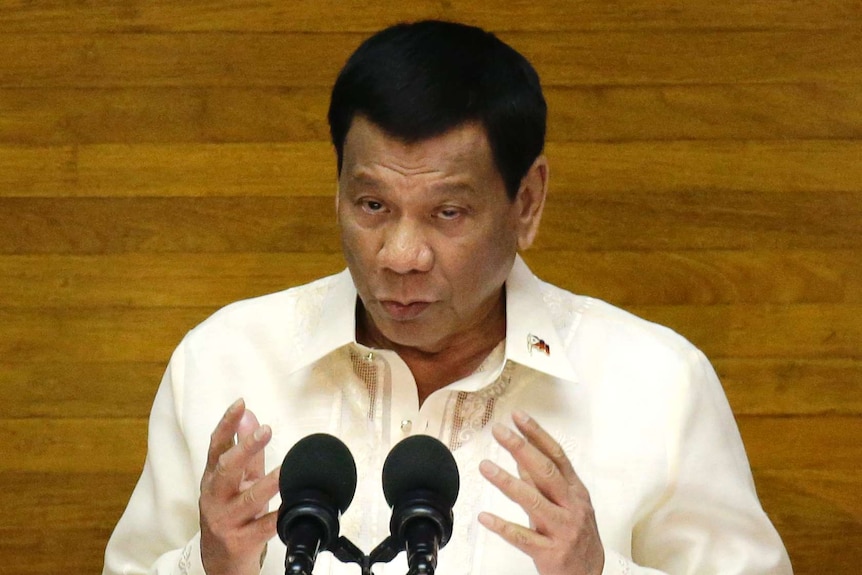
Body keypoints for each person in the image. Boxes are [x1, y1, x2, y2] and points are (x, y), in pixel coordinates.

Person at [103, 20, 792, 575]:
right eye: (372, 203)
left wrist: (597, 573)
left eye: (448, 213)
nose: (400, 255)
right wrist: (210, 564)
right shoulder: (224, 364)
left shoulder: (658, 385)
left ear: (526, 202)